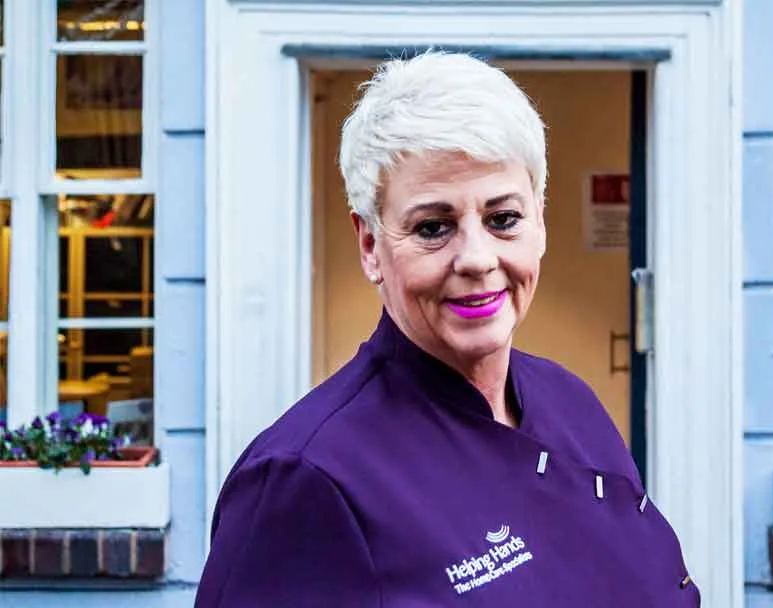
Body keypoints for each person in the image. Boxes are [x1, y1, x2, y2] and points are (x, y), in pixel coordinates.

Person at [196, 51, 699, 607]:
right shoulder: (306, 479)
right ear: (371, 245)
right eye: (433, 227)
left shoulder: (571, 403)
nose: (477, 259)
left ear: (540, 221)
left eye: (503, 219)